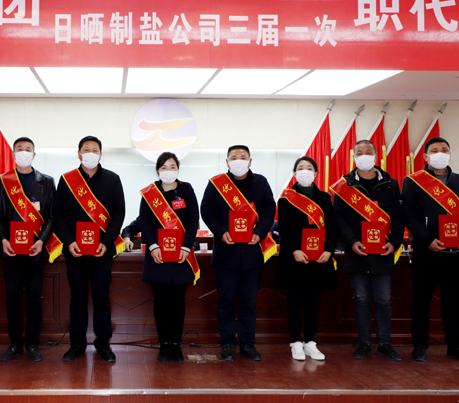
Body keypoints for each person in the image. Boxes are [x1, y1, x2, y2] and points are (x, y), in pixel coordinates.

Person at [402, 137, 459, 363]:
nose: (440, 153)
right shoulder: (413, 181)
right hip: (426, 253)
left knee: (453, 303)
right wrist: (427, 239)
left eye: (444, 149)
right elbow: (409, 215)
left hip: (456, 254)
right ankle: (420, 344)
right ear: (426, 156)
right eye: (435, 150)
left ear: (450, 154)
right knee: (422, 301)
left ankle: (455, 345)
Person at [200, 145, 276, 361]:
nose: (238, 160)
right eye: (234, 157)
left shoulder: (260, 182)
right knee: (225, 302)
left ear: (250, 161)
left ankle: (247, 343)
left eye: (243, 157)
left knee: (249, 303)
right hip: (226, 253)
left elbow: (269, 209)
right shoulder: (217, 184)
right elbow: (206, 210)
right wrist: (221, 231)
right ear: (227, 162)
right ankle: (226, 343)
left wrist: (260, 233)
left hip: (252, 252)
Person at [53, 136, 125, 362]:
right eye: (86, 149)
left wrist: (107, 242)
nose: (90, 153)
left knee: (102, 298)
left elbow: (119, 213)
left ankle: (103, 344)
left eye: (95, 150)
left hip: (102, 251)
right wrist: (68, 241)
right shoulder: (67, 180)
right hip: (75, 251)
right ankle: (77, 345)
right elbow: (59, 215)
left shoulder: (113, 179)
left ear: (101, 155)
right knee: (77, 298)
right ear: (79, 154)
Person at [332, 140, 404, 361]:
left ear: (376, 156)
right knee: (361, 298)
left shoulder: (390, 183)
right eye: (359, 152)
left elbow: (399, 216)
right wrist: (351, 241)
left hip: (383, 251)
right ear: (354, 157)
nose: (364, 155)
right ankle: (364, 343)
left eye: (368, 152)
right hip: (358, 252)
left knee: (383, 300)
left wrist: (395, 242)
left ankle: (384, 343)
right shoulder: (345, 185)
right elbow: (338, 218)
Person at [0, 137, 58, 362]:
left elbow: (51, 216)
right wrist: (3, 239)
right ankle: (15, 344)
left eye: (27, 149)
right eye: (19, 149)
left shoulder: (46, 182)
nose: (23, 152)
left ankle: (32, 344)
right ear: (13, 154)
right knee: (12, 297)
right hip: (10, 250)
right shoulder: (4, 181)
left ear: (34, 154)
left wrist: (41, 241)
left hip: (34, 251)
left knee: (33, 298)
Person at [139, 152, 200, 363]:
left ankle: (176, 344)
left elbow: (193, 219)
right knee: (160, 302)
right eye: (164, 167)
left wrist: (187, 246)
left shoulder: (186, 190)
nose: (168, 170)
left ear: (178, 169)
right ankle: (164, 344)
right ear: (158, 170)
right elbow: (145, 221)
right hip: (158, 256)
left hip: (181, 255)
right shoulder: (150, 193)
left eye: (172, 166)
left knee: (178, 302)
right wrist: (152, 246)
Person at [274, 156, 337, 361]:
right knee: (295, 301)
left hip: (319, 258)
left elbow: (331, 227)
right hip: (296, 258)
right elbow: (284, 228)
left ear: (316, 173)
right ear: (294, 173)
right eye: (300, 168)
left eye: (309, 168)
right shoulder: (286, 198)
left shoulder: (325, 198)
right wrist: (294, 249)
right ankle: (295, 342)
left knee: (313, 302)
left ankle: (310, 342)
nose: (305, 171)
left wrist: (329, 250)